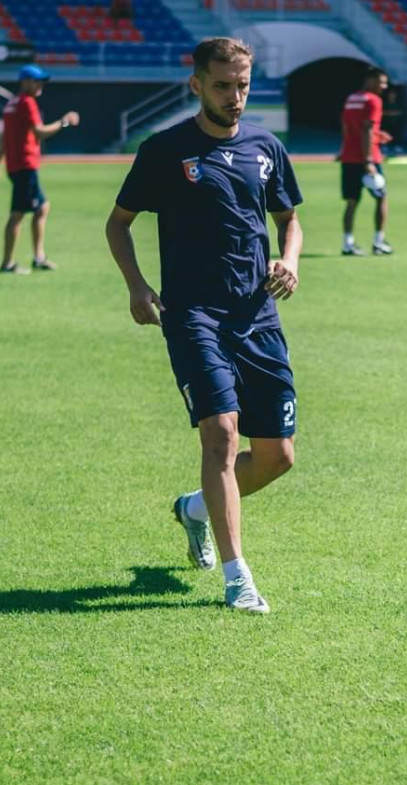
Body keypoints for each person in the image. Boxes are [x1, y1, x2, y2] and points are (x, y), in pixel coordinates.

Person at [106, 37, 304, 613]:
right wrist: (137, 285)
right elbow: (119, 223)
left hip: (257, 314)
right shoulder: (165, 149)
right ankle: (239, 579)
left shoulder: (266, 147)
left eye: (243, 85)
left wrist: (289, 260)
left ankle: (194, 508)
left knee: (278, 457)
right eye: (222, 86)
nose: (234, 97)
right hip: (194, 315)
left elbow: (289, 220)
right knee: (220, 433)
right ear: (196, 84)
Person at [0, 64, 79, 274]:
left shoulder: (11, 104)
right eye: (36, 81)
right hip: (25, 164)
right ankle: (9, 263)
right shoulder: (27, 102)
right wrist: (64, 122)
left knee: (41, 208)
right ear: (25, 82)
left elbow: (4, 138)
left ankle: (38, 257)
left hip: (16, 165)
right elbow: (40, 132)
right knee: (18, 214)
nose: (40, 85)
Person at [340, 66, 393, 256]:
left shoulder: (351, 99)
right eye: (381, 82)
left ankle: (347, 244)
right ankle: (378, 242)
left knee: (351, 202)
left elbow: (347, 126)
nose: (384, 86)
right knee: (381, 197)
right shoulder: (373, 100)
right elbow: (366, 129)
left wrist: (346, 147)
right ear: (370, 80)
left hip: (349, 157)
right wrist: (368, 160)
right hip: (367, 158)